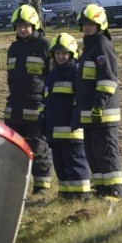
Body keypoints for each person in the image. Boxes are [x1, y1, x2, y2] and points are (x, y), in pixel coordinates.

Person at [75, 4, 122, 198]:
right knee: (93, 154)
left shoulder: (103, 45)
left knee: (107, 152)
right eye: (85, 24)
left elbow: (108, 79)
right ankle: (102, 188)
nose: (87, 28)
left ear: (101, 25)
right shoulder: (89, 47)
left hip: (103, 113)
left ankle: (115, 191)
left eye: (91, 24)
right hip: (90, 114)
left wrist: (98, 105)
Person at [5, 4, 53, 193]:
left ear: (35, 25)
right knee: (14, 148)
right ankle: (18, 186)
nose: (22, 29)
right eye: (19, 26)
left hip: (36, 107)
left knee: (38, 146)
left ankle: (41, 186)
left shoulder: (44, 46)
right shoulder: (14, 48)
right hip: (14, 106)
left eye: (26, 25)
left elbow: (52, 77)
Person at [44, 33, 91, 200]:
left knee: (76, 164)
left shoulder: (75, 72)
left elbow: (80, 100)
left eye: (64, 53)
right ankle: (65, 196)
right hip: (55, 132)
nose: (60, 57)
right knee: (61, 166)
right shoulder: (52, 74)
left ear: (72, 54)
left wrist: (76, 121)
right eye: (57, 53)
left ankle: (82, 196)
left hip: (72, 132)